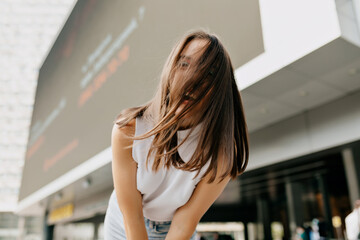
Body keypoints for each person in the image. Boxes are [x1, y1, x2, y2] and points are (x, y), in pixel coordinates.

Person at [103, 30, 249, 240]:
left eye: (208, 73)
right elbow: (131, 216)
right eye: (184, 64)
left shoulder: (222, 153)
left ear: (219, 89)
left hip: (176, 227)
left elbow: (185, 221)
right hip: (123, 222)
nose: (192, 79)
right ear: (170, 69)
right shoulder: (128, 130)